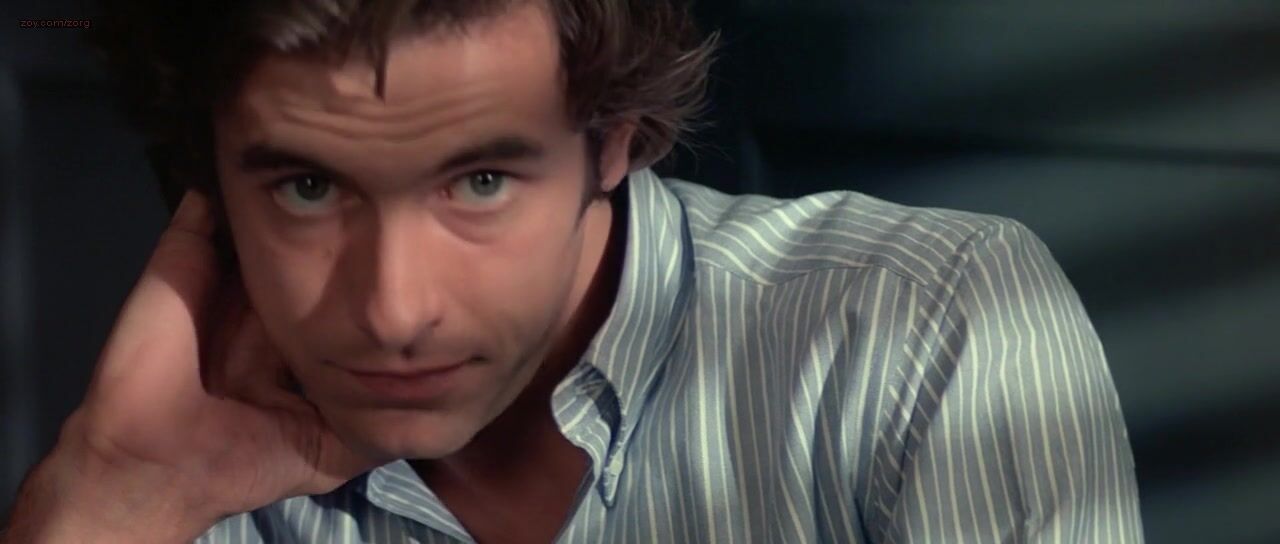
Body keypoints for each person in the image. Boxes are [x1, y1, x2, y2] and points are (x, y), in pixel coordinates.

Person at [1, 0, 1144, 542]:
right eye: (307, 188)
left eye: (479, 182)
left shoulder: (918, 331)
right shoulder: (193, 470)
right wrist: (109, 502)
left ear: (613, 141)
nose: (393, 309)